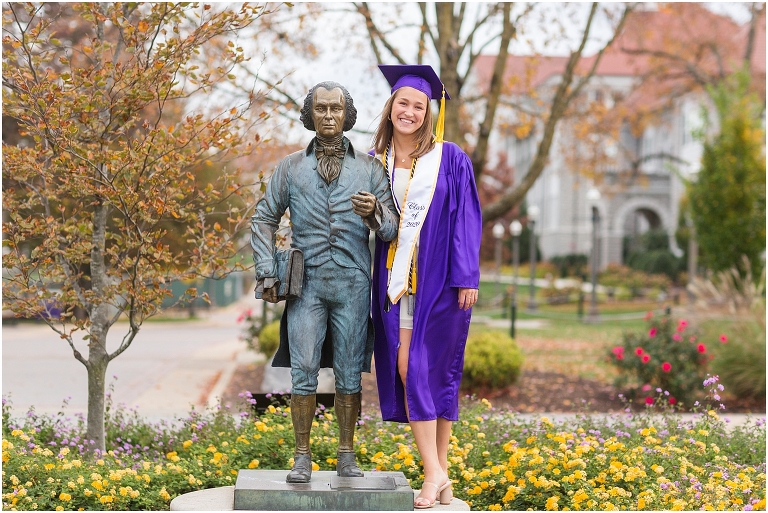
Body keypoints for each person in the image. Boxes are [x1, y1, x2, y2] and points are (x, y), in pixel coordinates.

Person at [251, 81, 399, 483]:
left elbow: (392, 229)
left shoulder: (370, 168)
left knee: (351, 373)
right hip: (308, 285)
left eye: (336, 109)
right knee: (303, 372)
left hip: (352, 284)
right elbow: (264, 217)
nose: (329, 115)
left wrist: (374, 214)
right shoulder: (291, 167)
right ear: (310, 115)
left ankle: (346, 455)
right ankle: (301, 456)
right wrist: (266, 269)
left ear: (347, 115)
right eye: (322, 109)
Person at [370, 65, 481, 509]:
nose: (410, 112)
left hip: (438, 280)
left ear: (429, 112)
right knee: (407, 365)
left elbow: (466, 219)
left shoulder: (449, 158)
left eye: (419, 105)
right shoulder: (372, 161)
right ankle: (440, 474)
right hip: (393, 282)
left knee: (427, 369)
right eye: (403, 103)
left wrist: (466, 274)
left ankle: (433, 473)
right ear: (391, 107)